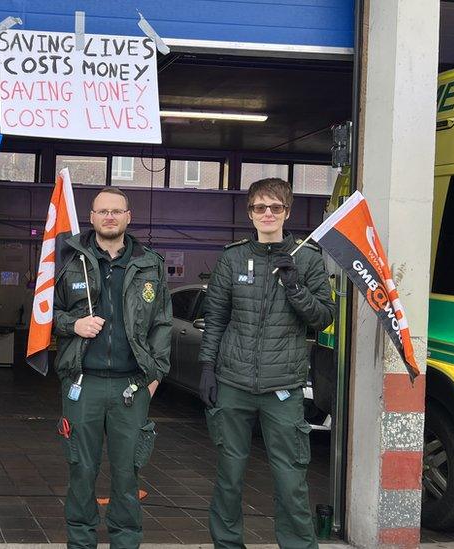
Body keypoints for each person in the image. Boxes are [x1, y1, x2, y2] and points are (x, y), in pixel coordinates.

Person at [198, 177, 334, 549]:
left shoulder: (307, 258)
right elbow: (216, 319)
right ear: (250, 214)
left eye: (275, 207)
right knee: (229, 476)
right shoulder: (233, 257)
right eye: (260, 207)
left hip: (283, 389)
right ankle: (226, 543)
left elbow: (323, 317)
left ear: (287, 212)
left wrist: (295, 287)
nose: (268, 213)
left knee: (291, 479)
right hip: (233, 384)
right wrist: (207, 368)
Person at [52, 187, 172, 549]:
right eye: (102, 211)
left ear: (128, 217)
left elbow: (163, 324)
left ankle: (126, 541)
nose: (109, 217)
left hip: (131, 387)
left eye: (116, 211)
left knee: (126, 474)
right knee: (81, 471)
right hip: (83, 383)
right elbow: (46, 315)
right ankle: (81, 542)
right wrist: (73, 325)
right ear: (91, 216)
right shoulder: (70, 260)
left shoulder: (150, 263)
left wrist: (154, 377)